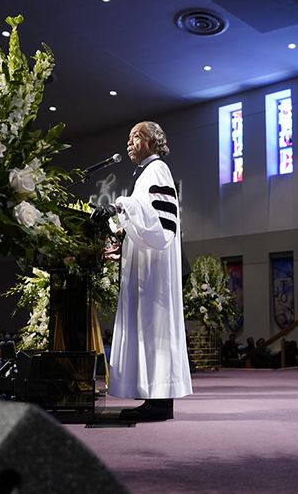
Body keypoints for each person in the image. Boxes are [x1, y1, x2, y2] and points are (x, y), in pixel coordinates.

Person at [91, 121, 192, 421]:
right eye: (128, 137)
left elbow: (161, 224)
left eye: (136, 136)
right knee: (149, 329)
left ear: (153, 141)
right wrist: (122, 229)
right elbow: (143, 214)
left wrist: (118, 205)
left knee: (155, 327)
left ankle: (161, 401)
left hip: (155, 271)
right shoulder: (147, 173)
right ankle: (153, 397)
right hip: (148, 266)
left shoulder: (157, 169)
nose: (130, 142)